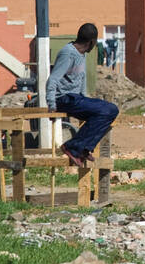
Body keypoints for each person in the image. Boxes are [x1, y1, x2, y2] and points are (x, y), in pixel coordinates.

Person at [46, 23, 119, 168]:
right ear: (91, 42)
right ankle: (73, 147)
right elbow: (52, 79)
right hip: (65, 98)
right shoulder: (68, 53)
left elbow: (82, 79)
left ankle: (83, 148)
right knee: (108, 110)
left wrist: (85, 99)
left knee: (110, 111)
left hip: (76, 98)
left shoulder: (81, 54)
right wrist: (51, 104)